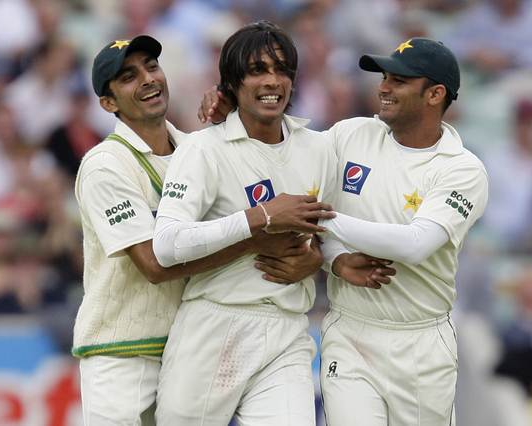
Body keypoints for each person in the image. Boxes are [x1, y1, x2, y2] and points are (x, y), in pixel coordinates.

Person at [200, 37, 489, 425]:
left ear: (435, 94)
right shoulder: (350, 135)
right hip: (349, 332)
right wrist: (234, 109)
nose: (383, 88)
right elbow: (282, 157)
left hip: (422, 342)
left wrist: (315, 216)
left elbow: (417, 244)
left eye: (399, 81)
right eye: (384, 77)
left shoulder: (462, 169)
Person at [73, 34, 329, 425]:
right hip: (123, 350)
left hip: (185, 337)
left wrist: (314, 259)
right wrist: (257, 235)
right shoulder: (106, 165)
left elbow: (241, 172)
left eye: (152, 67)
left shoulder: (192, 145)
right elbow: (155, 264)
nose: (147, 80)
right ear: (108, 104)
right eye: (128, 77)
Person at [152, 21, 395, 425]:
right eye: (258, 69)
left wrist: (326, 261)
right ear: (230, 83)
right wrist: (260, 218)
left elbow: (327, 230)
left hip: (286, 331)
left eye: (282, 70)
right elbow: (167, 244)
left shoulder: (317, 148)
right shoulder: (202, 149)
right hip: (212, 326)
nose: (273, 81)